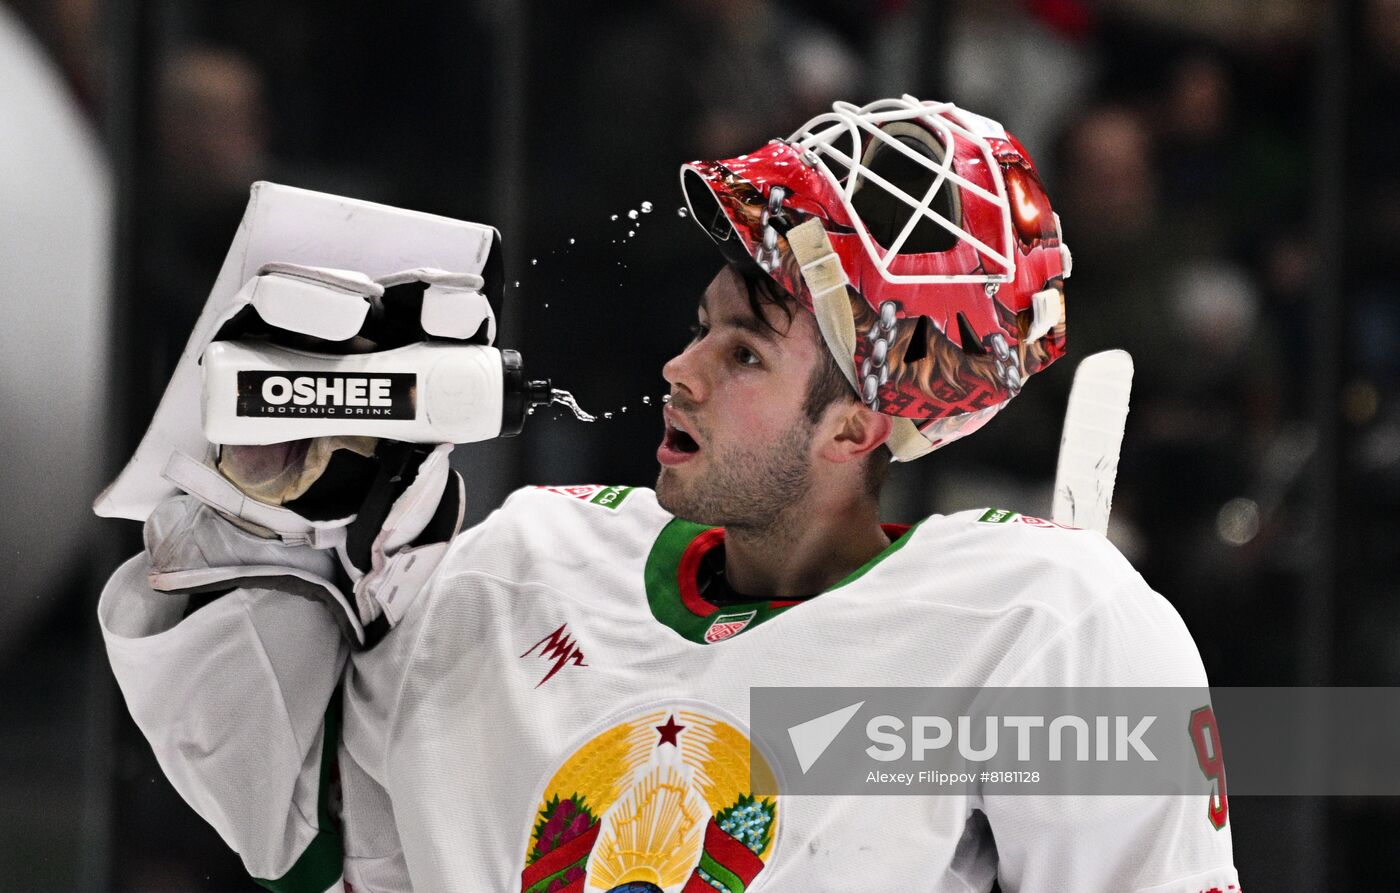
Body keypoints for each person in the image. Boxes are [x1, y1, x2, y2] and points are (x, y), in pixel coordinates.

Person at [99, 97, 1240, 891]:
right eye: (703, 327)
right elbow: (305, 826)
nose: (678, 369)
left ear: (859, 421)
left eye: (743, 352)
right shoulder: (528, 565)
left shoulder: (1040, 623)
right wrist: (266, 522)